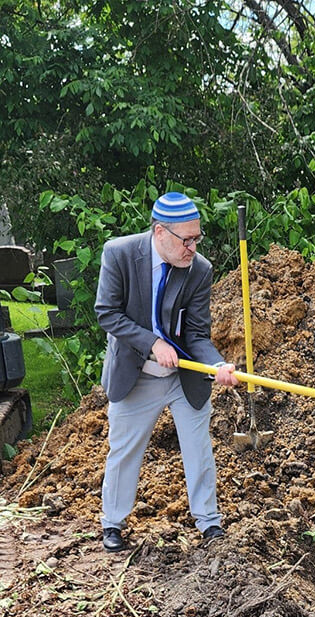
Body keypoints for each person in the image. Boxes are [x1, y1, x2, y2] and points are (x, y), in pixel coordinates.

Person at [95, 191, 239, 552]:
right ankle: (113, 523)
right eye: (186, 240)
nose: (192, 247)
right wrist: (152, 343)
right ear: (160, 233)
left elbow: (196, 334)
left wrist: (216, 364)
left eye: (196, 238)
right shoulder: (120, 254)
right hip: (137, 374)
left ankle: (209, 523)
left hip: (182, 378)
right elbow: (107, 313)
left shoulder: (199, 270)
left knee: (199, 449)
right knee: (124, 450)